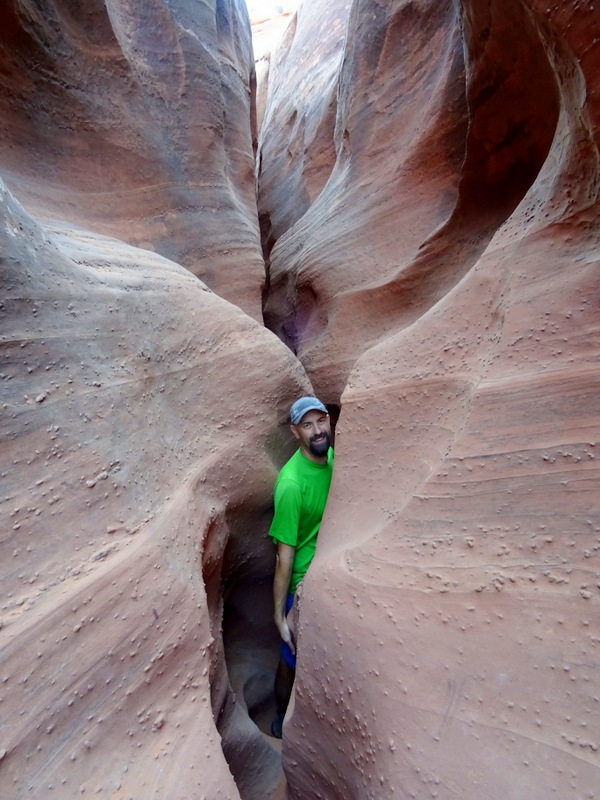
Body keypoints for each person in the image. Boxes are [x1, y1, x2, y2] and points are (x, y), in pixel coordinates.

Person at [269, 396, 334, 738]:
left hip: (330, 571)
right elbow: (284, 555)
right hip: (302, 587)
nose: (317, 431)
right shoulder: (291, 485)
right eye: (307, 426)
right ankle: (280, 718)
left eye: (320, 421)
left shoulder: (333, 457)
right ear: (295, 432)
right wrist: (280, 616)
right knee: (290, 661)